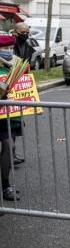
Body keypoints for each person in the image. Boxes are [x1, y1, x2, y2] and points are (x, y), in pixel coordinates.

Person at [0, 35, 23, 201]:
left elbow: (26, 89)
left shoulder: (17, 67)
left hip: (8, 115)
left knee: (10, 146)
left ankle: (5, 186)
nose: (8, 52)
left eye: (10, 49)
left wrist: (33, 106)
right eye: (4, 49)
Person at [10, 23, 33, 166]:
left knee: (15, 122)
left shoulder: (27, 47)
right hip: (9, 87)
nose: (25, 34)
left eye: (27, 32)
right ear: (15, 32)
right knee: (9, 122)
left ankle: (11, 153)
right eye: (22, 32)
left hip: (19, 89)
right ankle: (9, 152)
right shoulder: (10, 46)